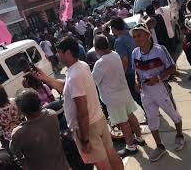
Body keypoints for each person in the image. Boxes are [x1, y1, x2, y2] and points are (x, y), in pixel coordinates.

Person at [33, 38, 124, 170]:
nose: (57, 55)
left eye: (59, 52)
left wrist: (85, 139)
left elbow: (82, 110)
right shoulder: (80, 66)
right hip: (97, 119)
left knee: (103, 165)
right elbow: (66, 88)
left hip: (88, 127)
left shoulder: (75, 75)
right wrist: (46, 78)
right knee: (111, 154)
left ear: (68, 53)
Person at [130, 24, 185, 162]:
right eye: (135, 36)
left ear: (148, 35)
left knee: (173, 113)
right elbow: (136, 70)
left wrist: (158, 78)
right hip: (145, 92)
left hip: (161, 88)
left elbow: (172, 67)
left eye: (139, 35)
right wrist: (137, 81)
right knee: (152, 120)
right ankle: (160, 147)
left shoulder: (160, 50)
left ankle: (179, 136)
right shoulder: (135, 53)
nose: (137, 39)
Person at [92, 35, 146, 157]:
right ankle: (139, 138)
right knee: (130, 116)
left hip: (113, 98)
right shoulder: (115, 54)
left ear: (96, 48)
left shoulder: (100, 63)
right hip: (123, 92)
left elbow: (93, 81)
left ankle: (130, 147)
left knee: (123, 122)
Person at [10, 89, 69, 170]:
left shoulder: (18, 133)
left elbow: (16, 153)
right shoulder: (51, 114)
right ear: (39, 102)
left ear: (20, 110)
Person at [110, 17, 145, 119]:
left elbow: (124, 61)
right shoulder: (130, 34)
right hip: (140, 67)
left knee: (136, 95)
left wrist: (121, 76)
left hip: (130, 72)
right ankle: (152, 112)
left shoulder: (119, 41)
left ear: (114, 28)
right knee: (142, 92)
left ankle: (149, 113)